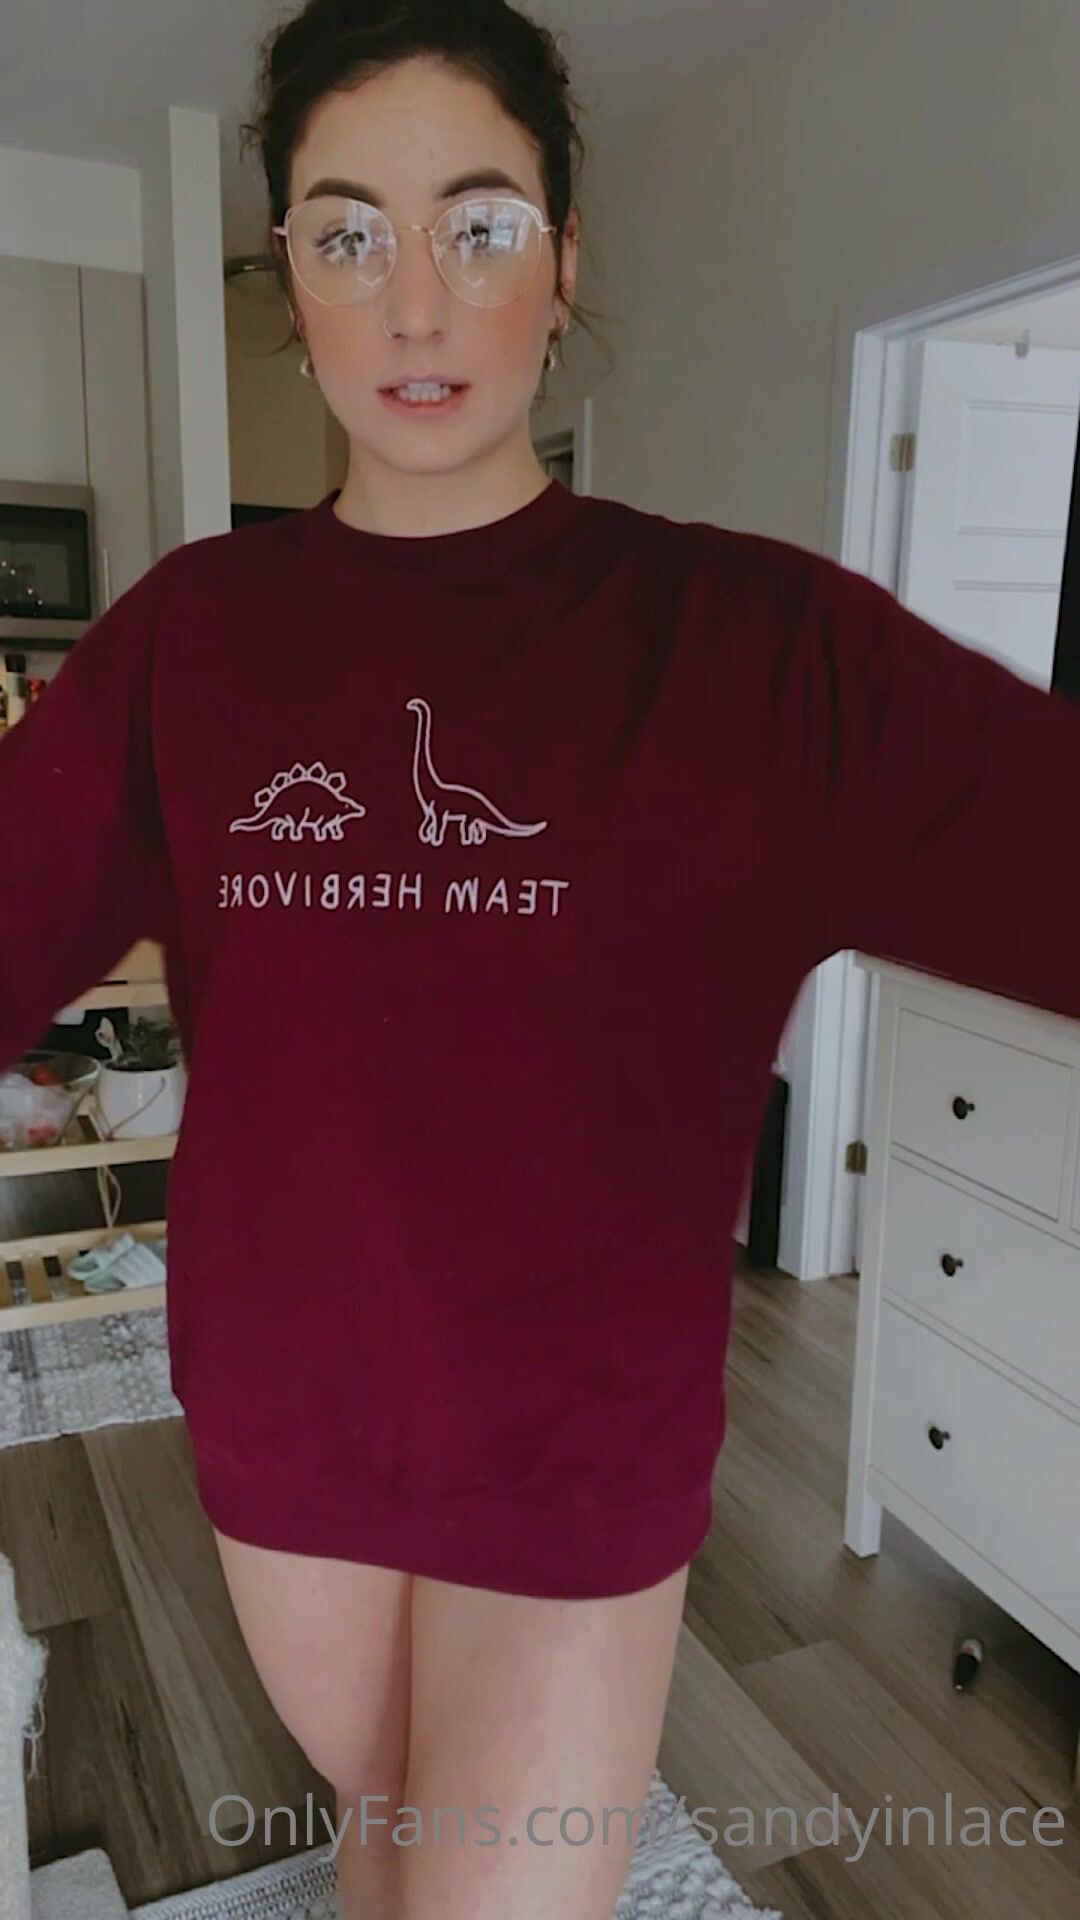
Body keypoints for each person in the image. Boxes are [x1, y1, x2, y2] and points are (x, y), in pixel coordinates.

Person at [4, 3, 1080, 1915]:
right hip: (290, 1402)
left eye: (478, 224)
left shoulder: (754, 650)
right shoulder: (190, 642)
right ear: (291, 278)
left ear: (565, 260)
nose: (414, 301)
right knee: (387, 1822)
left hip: (577, 1432)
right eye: (348, 233)